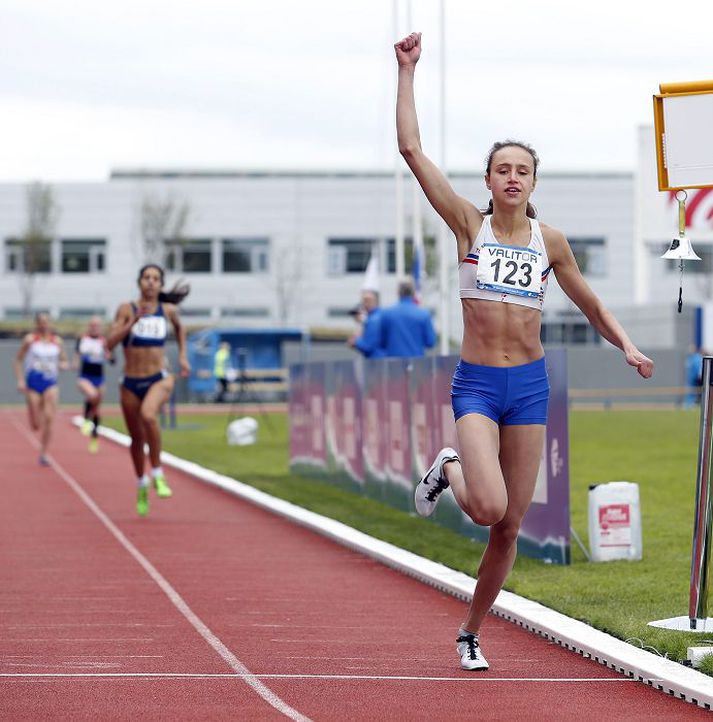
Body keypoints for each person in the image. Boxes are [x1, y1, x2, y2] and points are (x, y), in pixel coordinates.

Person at [395, 32, 654, 672]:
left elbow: (590, 304)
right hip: (480, 384)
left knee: (508, 526)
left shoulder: (551, 242)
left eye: (523, 170)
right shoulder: (467, 224)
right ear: (488, 180)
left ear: (533, 182)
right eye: (502, 169)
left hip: (530, 387)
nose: (512, 177)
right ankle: (449, 466)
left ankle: (470, 632)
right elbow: (410, 148)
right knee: (486, 506)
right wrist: (406, 71)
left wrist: (626, 345)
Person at [106, 264, 190, 516]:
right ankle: (141, 483)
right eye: (147, 278)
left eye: (156, 279)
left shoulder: (168, 310)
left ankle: (157, 473)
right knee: (136, 440)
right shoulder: (126, 309)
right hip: (131, 382)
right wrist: (132, 322)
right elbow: (109, 344)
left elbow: (180, 328)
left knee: (149, 415)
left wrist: (183, 356)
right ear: (139, 282)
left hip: (159, 378)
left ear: (161, 285)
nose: (151, 282)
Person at [14, 312, 69, 465]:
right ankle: (33, 413)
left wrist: (63, 365)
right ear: (37, 324)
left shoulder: (57, 341)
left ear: (50, 323)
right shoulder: (30, 340)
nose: (44, 324)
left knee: (50, 417)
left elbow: (64, 360)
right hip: (33, 382)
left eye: (47, 322)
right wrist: (20, 380)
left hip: (50, 382)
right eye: (41, 322)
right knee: (36, 424)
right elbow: (18, 360)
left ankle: (44, 453)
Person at [73, 316, 113, 453]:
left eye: (97, 325)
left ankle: (94, 438)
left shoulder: (104, 341)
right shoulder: (82, 339)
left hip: (99, 378)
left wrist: (109, 356)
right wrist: (75, 363)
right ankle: (85, 418)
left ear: (100, 327)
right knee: (93, 395)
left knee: (97, 409)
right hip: (84, 377)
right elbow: (77, 356)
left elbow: (113, 359)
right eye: (93, 325)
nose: (95, 328)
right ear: (89, 326)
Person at [378, 277, 436, 358]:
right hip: (417, 364)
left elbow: (381, 342)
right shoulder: (424, 314)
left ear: (398, 292)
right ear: (413, 293)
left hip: (393, 365)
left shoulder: (386, 314)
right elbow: (430, 342)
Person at [347, 289, 386, 358]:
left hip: (377, 361)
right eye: (363, 300)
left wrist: (356, 342)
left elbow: (368, 347)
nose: (364, 304)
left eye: (367, 300)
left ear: (375, 301)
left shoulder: (373, 320)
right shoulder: (374, 317)